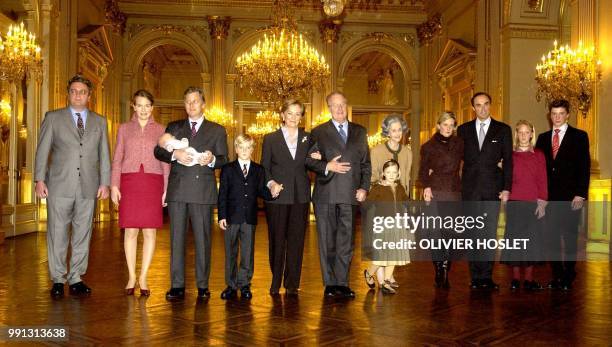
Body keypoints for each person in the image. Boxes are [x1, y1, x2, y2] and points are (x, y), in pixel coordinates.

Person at [34, 74, 111, 298]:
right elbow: (42, 151)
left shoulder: (100, 121)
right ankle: (58, 279)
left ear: (89, 96)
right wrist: (39, 179)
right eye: (74, 91)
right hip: (59, 184)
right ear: (68, 94)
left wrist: (105, 182)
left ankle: (76, 277)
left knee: (82, 233)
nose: (78, 95)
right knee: (57, 233)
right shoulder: (53, 118)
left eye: (82, 92)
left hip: (89, 185)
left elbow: (104, 154)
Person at [153, 86, 228, 301]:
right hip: (178, 190)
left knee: (203, 239)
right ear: (184, 104)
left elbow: (224, 158)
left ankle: (203, 285)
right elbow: (158, 150)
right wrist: (174, 153)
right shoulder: (174, 127)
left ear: (203, 104)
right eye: (187, 102)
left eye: (195, 101)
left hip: (202, 192)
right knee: (176, 239)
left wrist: (212, 160)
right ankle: (177, 285)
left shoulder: (217, 129)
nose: (191, 105)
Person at [306, 91, 372, 298]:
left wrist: (364, 188)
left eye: (342, 104)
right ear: (329, 108)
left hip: (350, 194)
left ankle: (342, 282)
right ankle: (329, 283)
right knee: (327, 241)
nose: (340, 109)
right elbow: (307, 160)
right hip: (326, 193)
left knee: (346, 241)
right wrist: (327, 165)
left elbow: (366, 164)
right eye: (335, 105)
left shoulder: (360, 132)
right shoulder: (317, 132)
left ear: (347, 105)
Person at [110, 89, 169, 297]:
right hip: (130, 181)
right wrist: (114, 185)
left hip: (153, 182)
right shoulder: (124, 129)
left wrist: (166, 188)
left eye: (147, 105)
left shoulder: (162, 130)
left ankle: (143, 276)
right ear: (133, 106)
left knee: (150, 231)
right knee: (131, 230)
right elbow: (117, 158)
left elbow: (165, 161)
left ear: (152, 107)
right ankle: (131, 277)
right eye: (139, 105)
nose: (143, 109)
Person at [457, 92, 512, 290]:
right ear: (473, 108)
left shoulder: (503, 130)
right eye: (478, 105)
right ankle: (475, 276)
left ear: (491, 105)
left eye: (486, 104)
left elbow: (509, 162)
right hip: (469, 190)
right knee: (473, 234)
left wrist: (507, 188)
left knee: (488, 234)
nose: (482, 108)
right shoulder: (462, 130)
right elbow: (455, 158)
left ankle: (487, 276)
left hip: (493, 190)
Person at [535, 99, 590, 291]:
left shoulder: (580, 136)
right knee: (550, 237)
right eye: (554, 114)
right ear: (550, 115)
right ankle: (557, 275)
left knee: (569, 237)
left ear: (567, 115)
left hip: (570, 198)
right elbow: (538, 170)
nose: (557, 117)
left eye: (560, 113)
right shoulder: (542, 138)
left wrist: (580, 194)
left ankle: (568, 273)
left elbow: (585, 167)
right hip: (548, 199)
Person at [261, 99, 313, 296]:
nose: (293, 118)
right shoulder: (270, 138)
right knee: (276, 239)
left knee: (296, 241)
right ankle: (275, 281)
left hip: (300, 196)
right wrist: (271, 183)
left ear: (301, 117)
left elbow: (313, 163)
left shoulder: (308, 138)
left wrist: (319, 159)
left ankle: (292, 283)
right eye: (289, 113)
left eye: (297, 114)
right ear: (282, 115)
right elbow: (264, 167)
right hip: (278, 195)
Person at [218, 134, 273, 300]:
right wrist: (222, 216)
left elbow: (262, 191)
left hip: (249, 218)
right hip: (231, 217)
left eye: (248, 147)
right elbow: (223, 195)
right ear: (235, 149)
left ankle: (245, 284)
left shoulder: (258, 170)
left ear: (252, 150)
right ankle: (231, 285)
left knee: (248, 253)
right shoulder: (228, 169)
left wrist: (273, 194)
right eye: (241, 147)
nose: (244, 150)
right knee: (231, 252)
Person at [418, 111, 464, 288]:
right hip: (435, 192)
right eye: (445, 124)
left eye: (451, 125)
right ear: (438, 125)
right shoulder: (428, 146)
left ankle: (446, 266)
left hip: (454, 191)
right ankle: (439, 269)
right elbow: (423, 171)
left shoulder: (459, 143)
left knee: (452, 234)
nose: (448, 128)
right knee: (436, 234)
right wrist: (427, 186)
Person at [501, 120, 547, 290]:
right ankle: (514, 278)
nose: (523, 136)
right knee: (515, 240)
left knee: (531, 241)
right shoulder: (510, 156)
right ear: (516, 135)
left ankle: (528, 278)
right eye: (520, 132)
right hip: (514, 203)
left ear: (532, 134)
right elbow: (504, 178)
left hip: (533, 203)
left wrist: (542, 202)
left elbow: (542, 179)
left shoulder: (539, 155)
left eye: (527, 132)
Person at [368, 114, 411, 288]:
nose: (397, 133)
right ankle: (380, 279)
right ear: (387, 131)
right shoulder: (377, 151)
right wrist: (380, 183)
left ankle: (387, 277)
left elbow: (406, 178)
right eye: (393, 130)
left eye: (399, 129)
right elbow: (372, 176)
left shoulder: (408, 152)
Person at [363, 159, 409, 294]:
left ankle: (386, 282)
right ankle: (369, 273)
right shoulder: (378, 188)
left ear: (399, 173)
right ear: (383, 173)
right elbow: (368, 204)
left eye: (394, 172)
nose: (391, 174)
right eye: (388, 172)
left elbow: (406, 202)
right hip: (383, 226)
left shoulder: (400, 187)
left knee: (393, 256)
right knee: (382, 257)